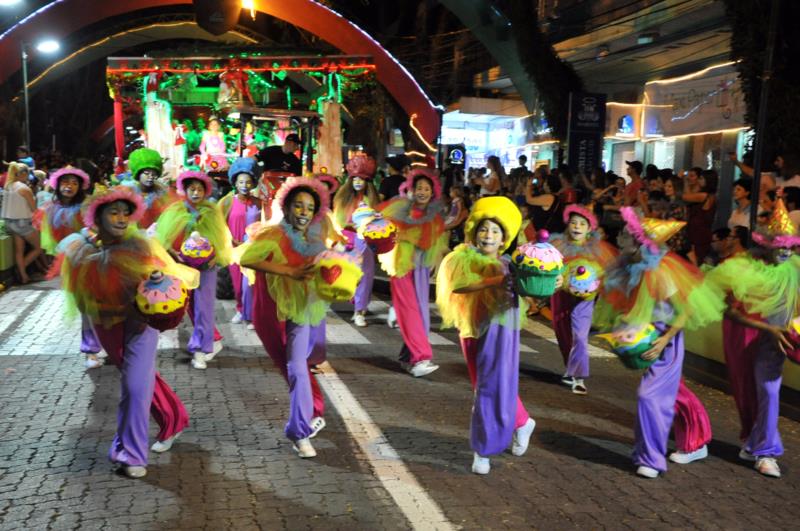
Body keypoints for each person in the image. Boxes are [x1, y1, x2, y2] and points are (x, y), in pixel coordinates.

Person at [56, 185, 197, 478]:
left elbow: (160, 287)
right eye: (113, 213)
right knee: (142, 381)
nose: (120, 219)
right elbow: (80, 299)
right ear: (98, 216)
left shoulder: (140, 247)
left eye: (125, 213)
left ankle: (130, 453)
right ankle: (174, 419)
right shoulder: (81, 250)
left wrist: (157, 283)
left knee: (134, 386)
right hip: (106, 325)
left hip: (139, 326)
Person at [594, 208, 723, 478]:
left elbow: (684, 309)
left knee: (649, 396)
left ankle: (651, 459)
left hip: (666, 339)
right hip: (647, 337)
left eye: (626, 235)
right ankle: (695, 441)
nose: (620, 238)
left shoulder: (661, 272)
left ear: (640, 242)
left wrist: (665, 339)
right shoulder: (628, 266)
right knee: (673, 393)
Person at [436, 196, 536, 474]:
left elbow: (536, 287)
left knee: (488, 387)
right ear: (474, 231)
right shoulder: (462, 258)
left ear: (504, 238)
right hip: (471, 328)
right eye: (483, 229)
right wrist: (494, 281)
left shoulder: (511, 264)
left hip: (500, 331)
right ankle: (522, 421)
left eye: (494, 231)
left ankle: (484, 449)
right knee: (485, 383)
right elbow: (458, 287)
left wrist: (555, 279)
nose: (488, 235)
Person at [237, 177, 335, 458]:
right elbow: (247, 259)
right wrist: (288, 271)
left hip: (301, 308)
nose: (304, 212)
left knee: (296, 365)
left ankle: (299, 431)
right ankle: (313, 407)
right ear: (287, 207)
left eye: (309, 207)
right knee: (286, 365)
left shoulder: (314, 240)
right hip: (269, 310)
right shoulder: (272, 235)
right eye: (299, 206)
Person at [705, 201, 799, 478]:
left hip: (775, 344)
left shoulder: (795, 269)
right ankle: (753, 440)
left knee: (769, 392)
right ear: (766, 245)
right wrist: (767, 328)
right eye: (780, 246)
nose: (785, 252)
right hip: (746, 339)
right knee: (746, 392)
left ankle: (766, 452)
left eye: (790, 247)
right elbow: (730, 312)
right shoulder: (745, 270)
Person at [156, 170, 233, 369]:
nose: (196, 193)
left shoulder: (211, 211)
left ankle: (200, 349)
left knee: (204, 307)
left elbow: (222, 239)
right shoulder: (175, 210)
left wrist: (213, 257)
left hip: (207, 267)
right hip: (181, 266)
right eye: (192, 189)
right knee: (189, 306)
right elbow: (164, 240)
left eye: (200, 189)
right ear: (185, 190)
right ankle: (212, 340)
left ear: (205, 191)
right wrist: (175, 255)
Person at [378, 169, 449, 377]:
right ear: (412, 189)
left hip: (420, 268)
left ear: (433, 192)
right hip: (401, 266)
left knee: (421, 316)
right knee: (410, 312)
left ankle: (407, 358)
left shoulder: (434, 216)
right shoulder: (400, 208)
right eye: (419, 188)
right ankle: (420, 357)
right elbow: (382, 224)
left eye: (427, 189)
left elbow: (431, 241)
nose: (422, 192)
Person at [37, 167, 105, 368]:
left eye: (74, 182)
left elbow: (98, 228)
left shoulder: (87, 205)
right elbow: (51, 239)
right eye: (65, 182)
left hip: (94, 258)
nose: (69, 186)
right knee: (84, 306)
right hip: (71, 262)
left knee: (100, 304)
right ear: (58, 185)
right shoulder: (50, 208)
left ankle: (103, 346)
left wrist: (90, 236)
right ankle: (91, 350)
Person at [549, 205, 618, 394]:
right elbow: (547, 267)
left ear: (589, 228)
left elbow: (605, 273)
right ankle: (570, 369)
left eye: (582, 223)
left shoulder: (597, 249)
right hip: (560, 295)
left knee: (579, 335)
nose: (577, 227)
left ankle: (579, 377)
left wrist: (593, 283)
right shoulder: (557, 245)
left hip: (585, 299)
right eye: (573, 222)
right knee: (562, 332)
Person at [333, 154, 379, 327]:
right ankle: (356, 302)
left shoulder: (372, 200)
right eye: (355, 179)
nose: (358, 182)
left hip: (365, 240)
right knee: (347, 275)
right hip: (346, 239)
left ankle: (359, 310)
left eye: (362, 179)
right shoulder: (342, 198)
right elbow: (337, 220)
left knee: (365, 274)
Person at [219, 158, 262, 329]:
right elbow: (219, 223)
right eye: (241, 181)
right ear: (235, 183)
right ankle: (240, 308)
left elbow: (265, 223)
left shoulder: (259, 203)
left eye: (248, 182)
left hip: (252, 248)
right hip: (233, 248)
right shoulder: (228, 201)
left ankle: (250, 315)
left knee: (250, 282)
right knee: (237, 283)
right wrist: (230, 240)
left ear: (253, 184)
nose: (245, 185)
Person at [1, 162, 42, 284]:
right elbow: (34, 209)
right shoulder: (24, 189)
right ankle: (20, 269)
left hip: (9, 222)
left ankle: (24, 277)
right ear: (23, 174)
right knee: (38, 248)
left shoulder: (8, 186)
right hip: (22, 223)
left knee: (19, 250)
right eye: (27, 174)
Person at [121, 148, 174, 230]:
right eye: (146, 173)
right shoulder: (128, 192)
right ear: (138, 173)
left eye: (154, 174)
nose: (150, 177)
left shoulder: (161, 193)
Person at [683, 169, 718, 264]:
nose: (699, 180)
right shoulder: (710, 195)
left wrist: (685, 180)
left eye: (701, 178)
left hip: (698, 234)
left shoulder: (705, 195)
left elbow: (686, 196)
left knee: (695, 261)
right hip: (699, 232)